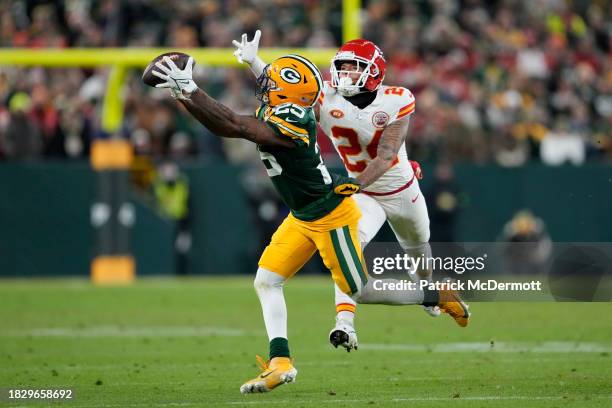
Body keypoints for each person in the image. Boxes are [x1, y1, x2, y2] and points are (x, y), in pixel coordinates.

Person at [151, 51, 468, 394]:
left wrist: (189, 88)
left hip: (331, 215)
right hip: (302, 214)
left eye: (272, 83)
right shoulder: (285, 106)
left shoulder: (292, 118)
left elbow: (232, 124)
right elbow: (242, 113)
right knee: (266, 281)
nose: (265, 86)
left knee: (359, 291)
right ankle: (280, 364)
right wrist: (184, 92)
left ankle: (432, 294)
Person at [234, 33, 450, 352]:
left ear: (373, 71)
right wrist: (255, 62)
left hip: (399, 189)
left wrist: (358, 182)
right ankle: (344, 324)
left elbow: (387, 154)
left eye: (353, 67)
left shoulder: (396, 98)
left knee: (419, 248)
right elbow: (287, 88)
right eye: (343, 67)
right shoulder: (327, 97)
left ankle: (428, 292)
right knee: (349, 249)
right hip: (362, 193)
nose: (345, 74)